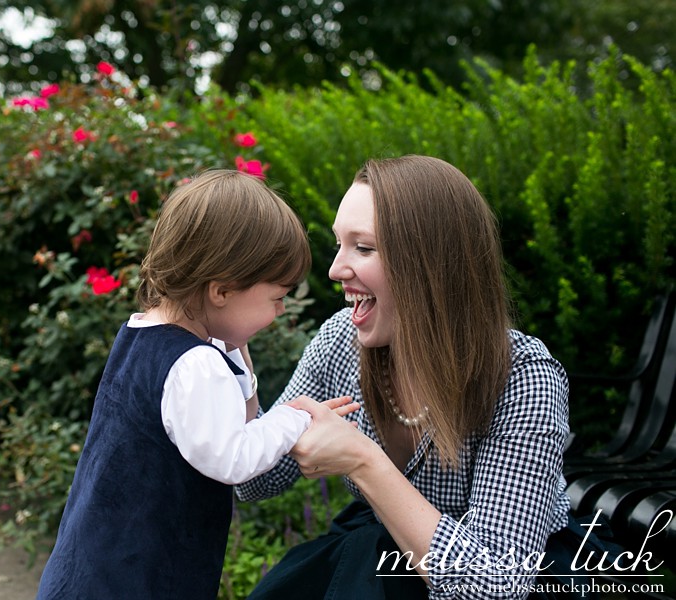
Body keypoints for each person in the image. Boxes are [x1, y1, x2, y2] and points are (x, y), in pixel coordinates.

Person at [236, 155, 618, 599]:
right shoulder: (342, 340)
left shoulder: (523, 376)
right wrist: (233, 351)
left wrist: (364, 460)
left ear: (429, 264)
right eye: (339, 244)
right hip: (384, 557)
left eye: (363, 247)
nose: (335, 270)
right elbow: (254, 478)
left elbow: (492, 582)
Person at [35, 169, 355, 600]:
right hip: (139, 579)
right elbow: (232, 458)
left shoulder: (142, 332)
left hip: (92, 567)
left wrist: (238, 361)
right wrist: (292, 418)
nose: (279, 311)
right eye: (276, 297)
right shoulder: (195, 364)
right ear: (221, 291)